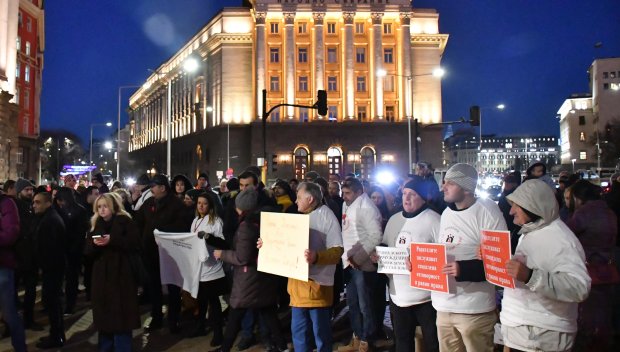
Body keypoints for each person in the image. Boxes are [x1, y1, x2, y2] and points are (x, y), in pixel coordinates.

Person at [501, 179, 591, 352]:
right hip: (522, 334)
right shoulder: (530, 231)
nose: (511, 211)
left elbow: (579, 287)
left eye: (516, 206)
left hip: (542, 337)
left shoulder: (561, 239)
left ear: (533, 205)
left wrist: (530, 277)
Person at [433, 163, 507, 352]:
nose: (443, 187)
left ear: (466, 188)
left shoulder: (487, 211)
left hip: (474, 309)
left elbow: (501, 263)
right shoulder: (446, 214)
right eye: (444, 182)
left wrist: (464, 269)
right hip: (444, 306)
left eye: (450, 183)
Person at [264, 182, 342, 352]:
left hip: (317, 286)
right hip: (297, 285)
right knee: (298, 332)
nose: (296, 201)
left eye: (299, 197)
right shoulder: (297, 216)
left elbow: (337, 251)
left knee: (320, 333)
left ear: (310, 198)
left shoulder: (326, 216)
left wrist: (317, 256)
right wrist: (266, 244)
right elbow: (283, 243)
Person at [211, 187, 287, 352]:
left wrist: (222, 254)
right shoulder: (266, 220)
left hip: (249, 278)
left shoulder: (246, 226)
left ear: (243, 207)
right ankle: (282, 346)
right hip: (265, 275)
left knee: (235, 315)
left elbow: (242, 257)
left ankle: (224, 349)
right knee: (268, 312)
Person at [373, 177, 440, 352]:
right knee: (402, 343)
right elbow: (386, 246)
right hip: (398, 296)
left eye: (412, 194)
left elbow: (443, 256)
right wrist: (379, 256)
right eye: (404, 193)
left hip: (427, 298)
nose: (406, 198)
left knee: (433, 343)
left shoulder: (434, 220)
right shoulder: (395, 219)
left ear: (423, 197)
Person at [565, 180, 616, 350]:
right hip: (607, 270)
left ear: (578, 198)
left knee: (587, 314)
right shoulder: (608, 211)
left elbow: (566, 235)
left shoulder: (584, 213)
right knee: (602, 313)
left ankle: (588, 343)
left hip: (588, 270)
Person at [86, 193, 141, 352]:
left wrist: (112, 240)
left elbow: (135, 243)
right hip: (102, 278)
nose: (102, 210)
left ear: (113, 206)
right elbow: (87, 251)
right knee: (105, 320)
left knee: (121, 318)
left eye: (105, 206)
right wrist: (95, 244)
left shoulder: (125, 221)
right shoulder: (96, 223)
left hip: (121, 276)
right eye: (99, 207)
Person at [134, 174, 187, 333]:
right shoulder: (149, 203)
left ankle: (174, 320)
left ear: (163, 188)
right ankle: (156, 317)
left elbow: (182, 227)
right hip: (150, 252)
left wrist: (161, 233)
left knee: (172, 288)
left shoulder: (177, 205)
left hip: (170, 254)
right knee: (154, 287)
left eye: (153, 186)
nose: (151, 189)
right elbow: (138, 223)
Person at [338, 178, 383, 352]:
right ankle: (356, 335)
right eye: (343, 193)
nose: (344, 197)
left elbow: (375, 236)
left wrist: (359, 258)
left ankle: (367, 339)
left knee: (366, 304)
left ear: (359, 192)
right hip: (349, 262)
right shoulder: (347, 204)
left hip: (361, 265)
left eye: (348, 193)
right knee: (353, 303)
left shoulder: (367, 208)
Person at [189, 193, 227, 345]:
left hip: (211, 268)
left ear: (210, 205)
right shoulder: (195, 220)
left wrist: (208, 237)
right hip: (199, 268)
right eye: (199, 203)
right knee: (201, 300)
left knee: (213, 302)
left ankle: (218, 333)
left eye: (204, 203)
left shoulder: (216, 221)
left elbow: (223, 243)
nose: (201, 206)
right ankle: (200, 327)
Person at [32, 191, 67, 348]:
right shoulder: (48, 218)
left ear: (48, 203)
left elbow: (51, 249)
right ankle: (56, 334)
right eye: (34, 202)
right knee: (53, 303)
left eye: (38, 202)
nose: (34, 205)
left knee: (53, 303)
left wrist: (43, 266)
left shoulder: (50, 221)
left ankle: (57, 337)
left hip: (52, 269)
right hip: (52, 268)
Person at [54, 187, 89, 315]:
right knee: (63, 279)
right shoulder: (58, 210)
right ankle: (61, 304)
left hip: (72, 250)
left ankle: (70, 305)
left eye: (61, 200)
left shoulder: (79, 211)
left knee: (71, 279)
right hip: (63, 249)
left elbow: (81, 232)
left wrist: (74, 249)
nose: (60, 203)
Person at [0, 191, 27, 352]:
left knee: (9, 313)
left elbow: (11, 234)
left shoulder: (6, 204)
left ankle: (20, 348)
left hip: (3, 265)